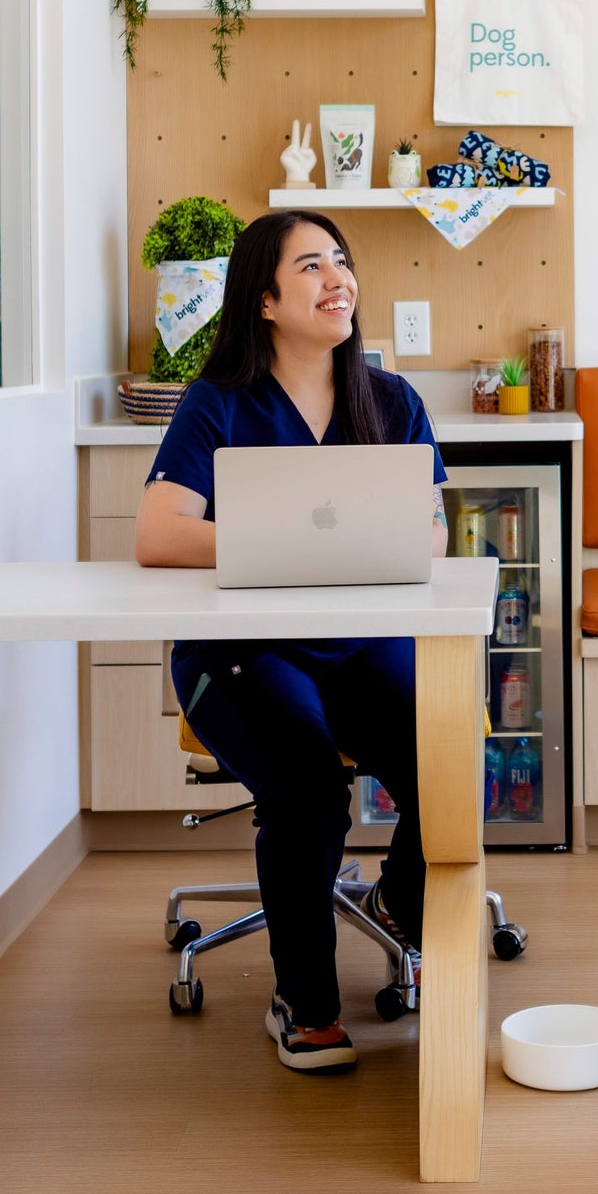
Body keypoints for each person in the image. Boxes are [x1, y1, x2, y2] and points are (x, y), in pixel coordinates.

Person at [135, 210, 449, 1074]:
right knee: (309, 783)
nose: (336, 278)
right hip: (242, 649)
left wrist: (317, 546)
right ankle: (304, 1001)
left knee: (445, 747)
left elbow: (433, 535)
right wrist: (299, 546)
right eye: (311, 265)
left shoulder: (390, 400)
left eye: (342, 262)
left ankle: (402, 909)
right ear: (265, 298)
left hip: (357, 641)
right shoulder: (219, 401)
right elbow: (159, 536)